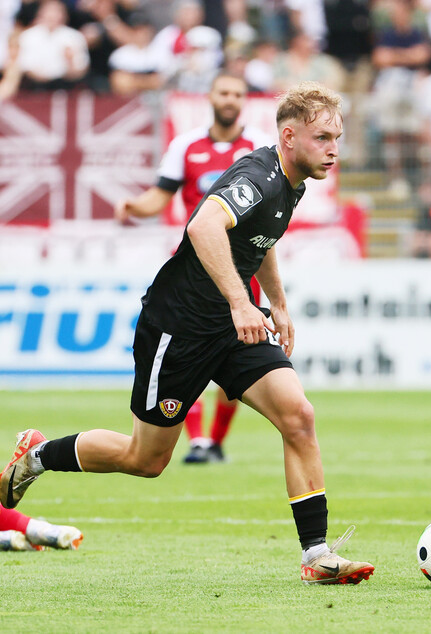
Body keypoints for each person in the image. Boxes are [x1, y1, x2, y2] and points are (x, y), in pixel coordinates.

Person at [2, 81, 375, 585]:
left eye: (338, 137)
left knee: (299, 415)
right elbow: (203, 227)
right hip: (178, 328)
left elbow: (259, 241)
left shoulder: (293, 184)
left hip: (231, 326)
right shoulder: (259, 176)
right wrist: (243, 302)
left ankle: (317, 555)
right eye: (324, 137)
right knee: (146, 459)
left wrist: (278, 306)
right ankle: (39, 456)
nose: (334, 148)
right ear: (289, 136)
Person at [115, 72, 274, 464]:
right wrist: (134, 207)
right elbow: (160, 196)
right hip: (195, 267)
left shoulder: (257, 148)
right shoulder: (185, 145)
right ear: (211, 96)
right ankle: (199, 440)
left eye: (237, 93)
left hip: (240, 268)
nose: (231, 98)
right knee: (192, 352)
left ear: (244, 100)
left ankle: (215, 440)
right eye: (224, 91)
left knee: (238, 353)